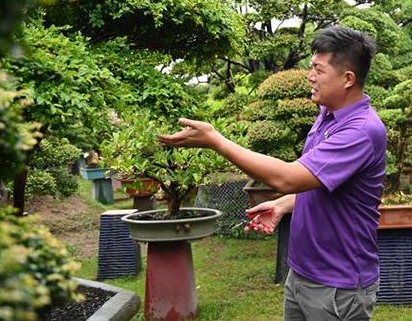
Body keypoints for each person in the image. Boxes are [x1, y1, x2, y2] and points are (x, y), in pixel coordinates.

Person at [158, 26, 387, 320]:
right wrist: (283, 204)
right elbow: (322, 181)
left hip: (337, 285)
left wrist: (216, 141)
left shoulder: (361, 130)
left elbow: (288, 178)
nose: (310, 76)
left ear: (347, 79)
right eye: (310, 67)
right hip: (304, 271)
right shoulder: (327, 115)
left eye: (318, 69)